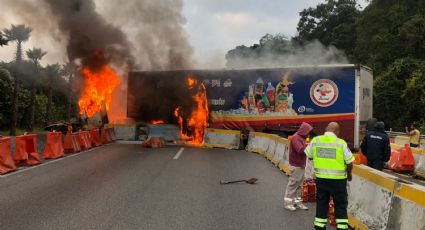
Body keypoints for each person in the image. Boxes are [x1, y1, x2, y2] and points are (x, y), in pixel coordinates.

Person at [305, 122, 355, 230]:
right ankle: (342, 227)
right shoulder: (341, 143)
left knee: (322, 203)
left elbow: (309, 156)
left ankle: (319, 227)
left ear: (326, 129)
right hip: (338, 181)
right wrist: (349, 174)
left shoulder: (315, 140)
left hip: (321, 179)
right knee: (340, 205)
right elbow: (350, 162)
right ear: (337, 131)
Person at [284, 122, 313, 211]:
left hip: (300, 164)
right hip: (296, 165)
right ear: (304, 131)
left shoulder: (301, 138)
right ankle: (288, 203)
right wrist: (310, 145)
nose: (309, 133)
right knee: (293, 184)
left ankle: (297, 202)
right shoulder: (296, 138)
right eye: (308, 131)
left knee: (299, 185)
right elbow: (300, 150)